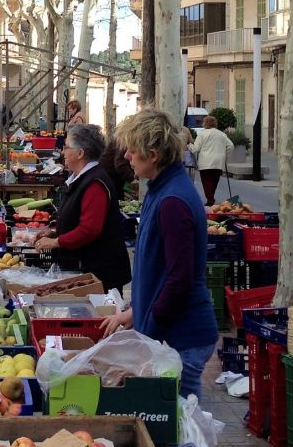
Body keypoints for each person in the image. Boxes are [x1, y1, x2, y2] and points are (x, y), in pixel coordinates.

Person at [101, 108, 218, 398]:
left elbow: (179, 280)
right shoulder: (161, 190)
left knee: (183, 427)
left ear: (152, 155)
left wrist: (148, 331)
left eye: (132, 150)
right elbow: (160, 269)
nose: (127, 156)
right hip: (174, 332)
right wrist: (134, 313)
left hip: (183, 336)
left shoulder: (173, 201)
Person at [35, 123, 132, 293]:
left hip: (100, 274)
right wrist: (55, 231)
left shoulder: (95, 184)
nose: (63, 152)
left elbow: (89, 230)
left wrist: (56, 242)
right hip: (86, 268)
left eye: (66, 147)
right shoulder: (82, 178)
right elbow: (76, 217)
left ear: (80, 153)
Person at [189, 116, 235, 207]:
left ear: (205, 123)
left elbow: (196, 149)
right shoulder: (221, 134)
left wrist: (189, 145)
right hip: (219, 162)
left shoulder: (202, 134)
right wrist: (225, 157)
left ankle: (210, 199)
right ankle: (211, 198)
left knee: (206, 181)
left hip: (206, 162)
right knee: (214, 181)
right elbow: (231, 145)